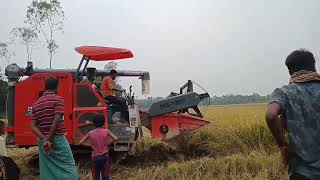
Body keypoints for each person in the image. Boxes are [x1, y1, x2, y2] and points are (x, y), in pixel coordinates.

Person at [266, 49, 320, 180]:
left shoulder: (284, 93)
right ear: (313, 67)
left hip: (301, 172)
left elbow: (271, 115)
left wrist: (283, 146)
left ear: (290, 72)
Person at [30, 77, 78, 180]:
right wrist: (49, 139)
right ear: (57, 86)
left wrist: (44, 139)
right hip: (57, 139)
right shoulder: (58, 99)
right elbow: (56, 120)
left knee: (47, 168)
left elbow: (33, 126)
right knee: (68, 166)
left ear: (45, 87)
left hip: (42, 141)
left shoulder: (36, 104)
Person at [79, 115, 118, 180]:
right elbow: (115, 138)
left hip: (95, 157)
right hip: (105, 156)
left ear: (94, 124)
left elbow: (81, 142)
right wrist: (108, 143)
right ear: (103, 123)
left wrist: (91, 145)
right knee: (105, 175)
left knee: (95, 175)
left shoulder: (91, 133)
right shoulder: (106, 131)